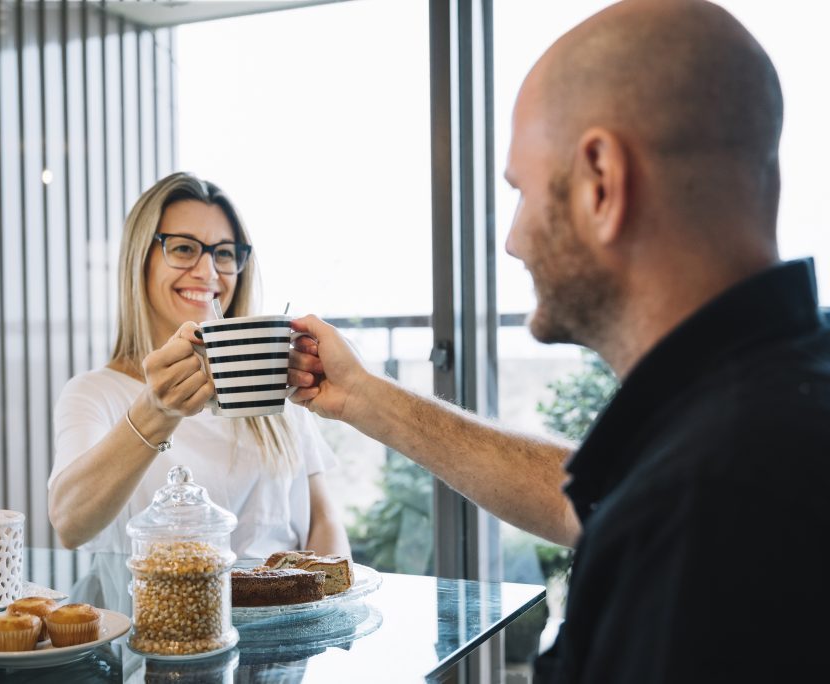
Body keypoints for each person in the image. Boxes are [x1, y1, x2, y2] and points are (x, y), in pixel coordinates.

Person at [288, 0, 830, 680]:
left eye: (522, 191)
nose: (512, 240)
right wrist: (367, 397)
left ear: (601, 181)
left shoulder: (705, 508)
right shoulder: (769, 401)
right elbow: (596, 499)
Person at [48, 171, 349, 560]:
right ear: (141, 260)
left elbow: (323, 520)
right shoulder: (97, 393)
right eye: (184, 248)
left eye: (224, 253)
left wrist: (326, 600)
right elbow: (70, 524)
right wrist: (155, 411)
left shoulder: (276, 375)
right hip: (155, 618)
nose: (208, 272)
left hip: (284, 616)